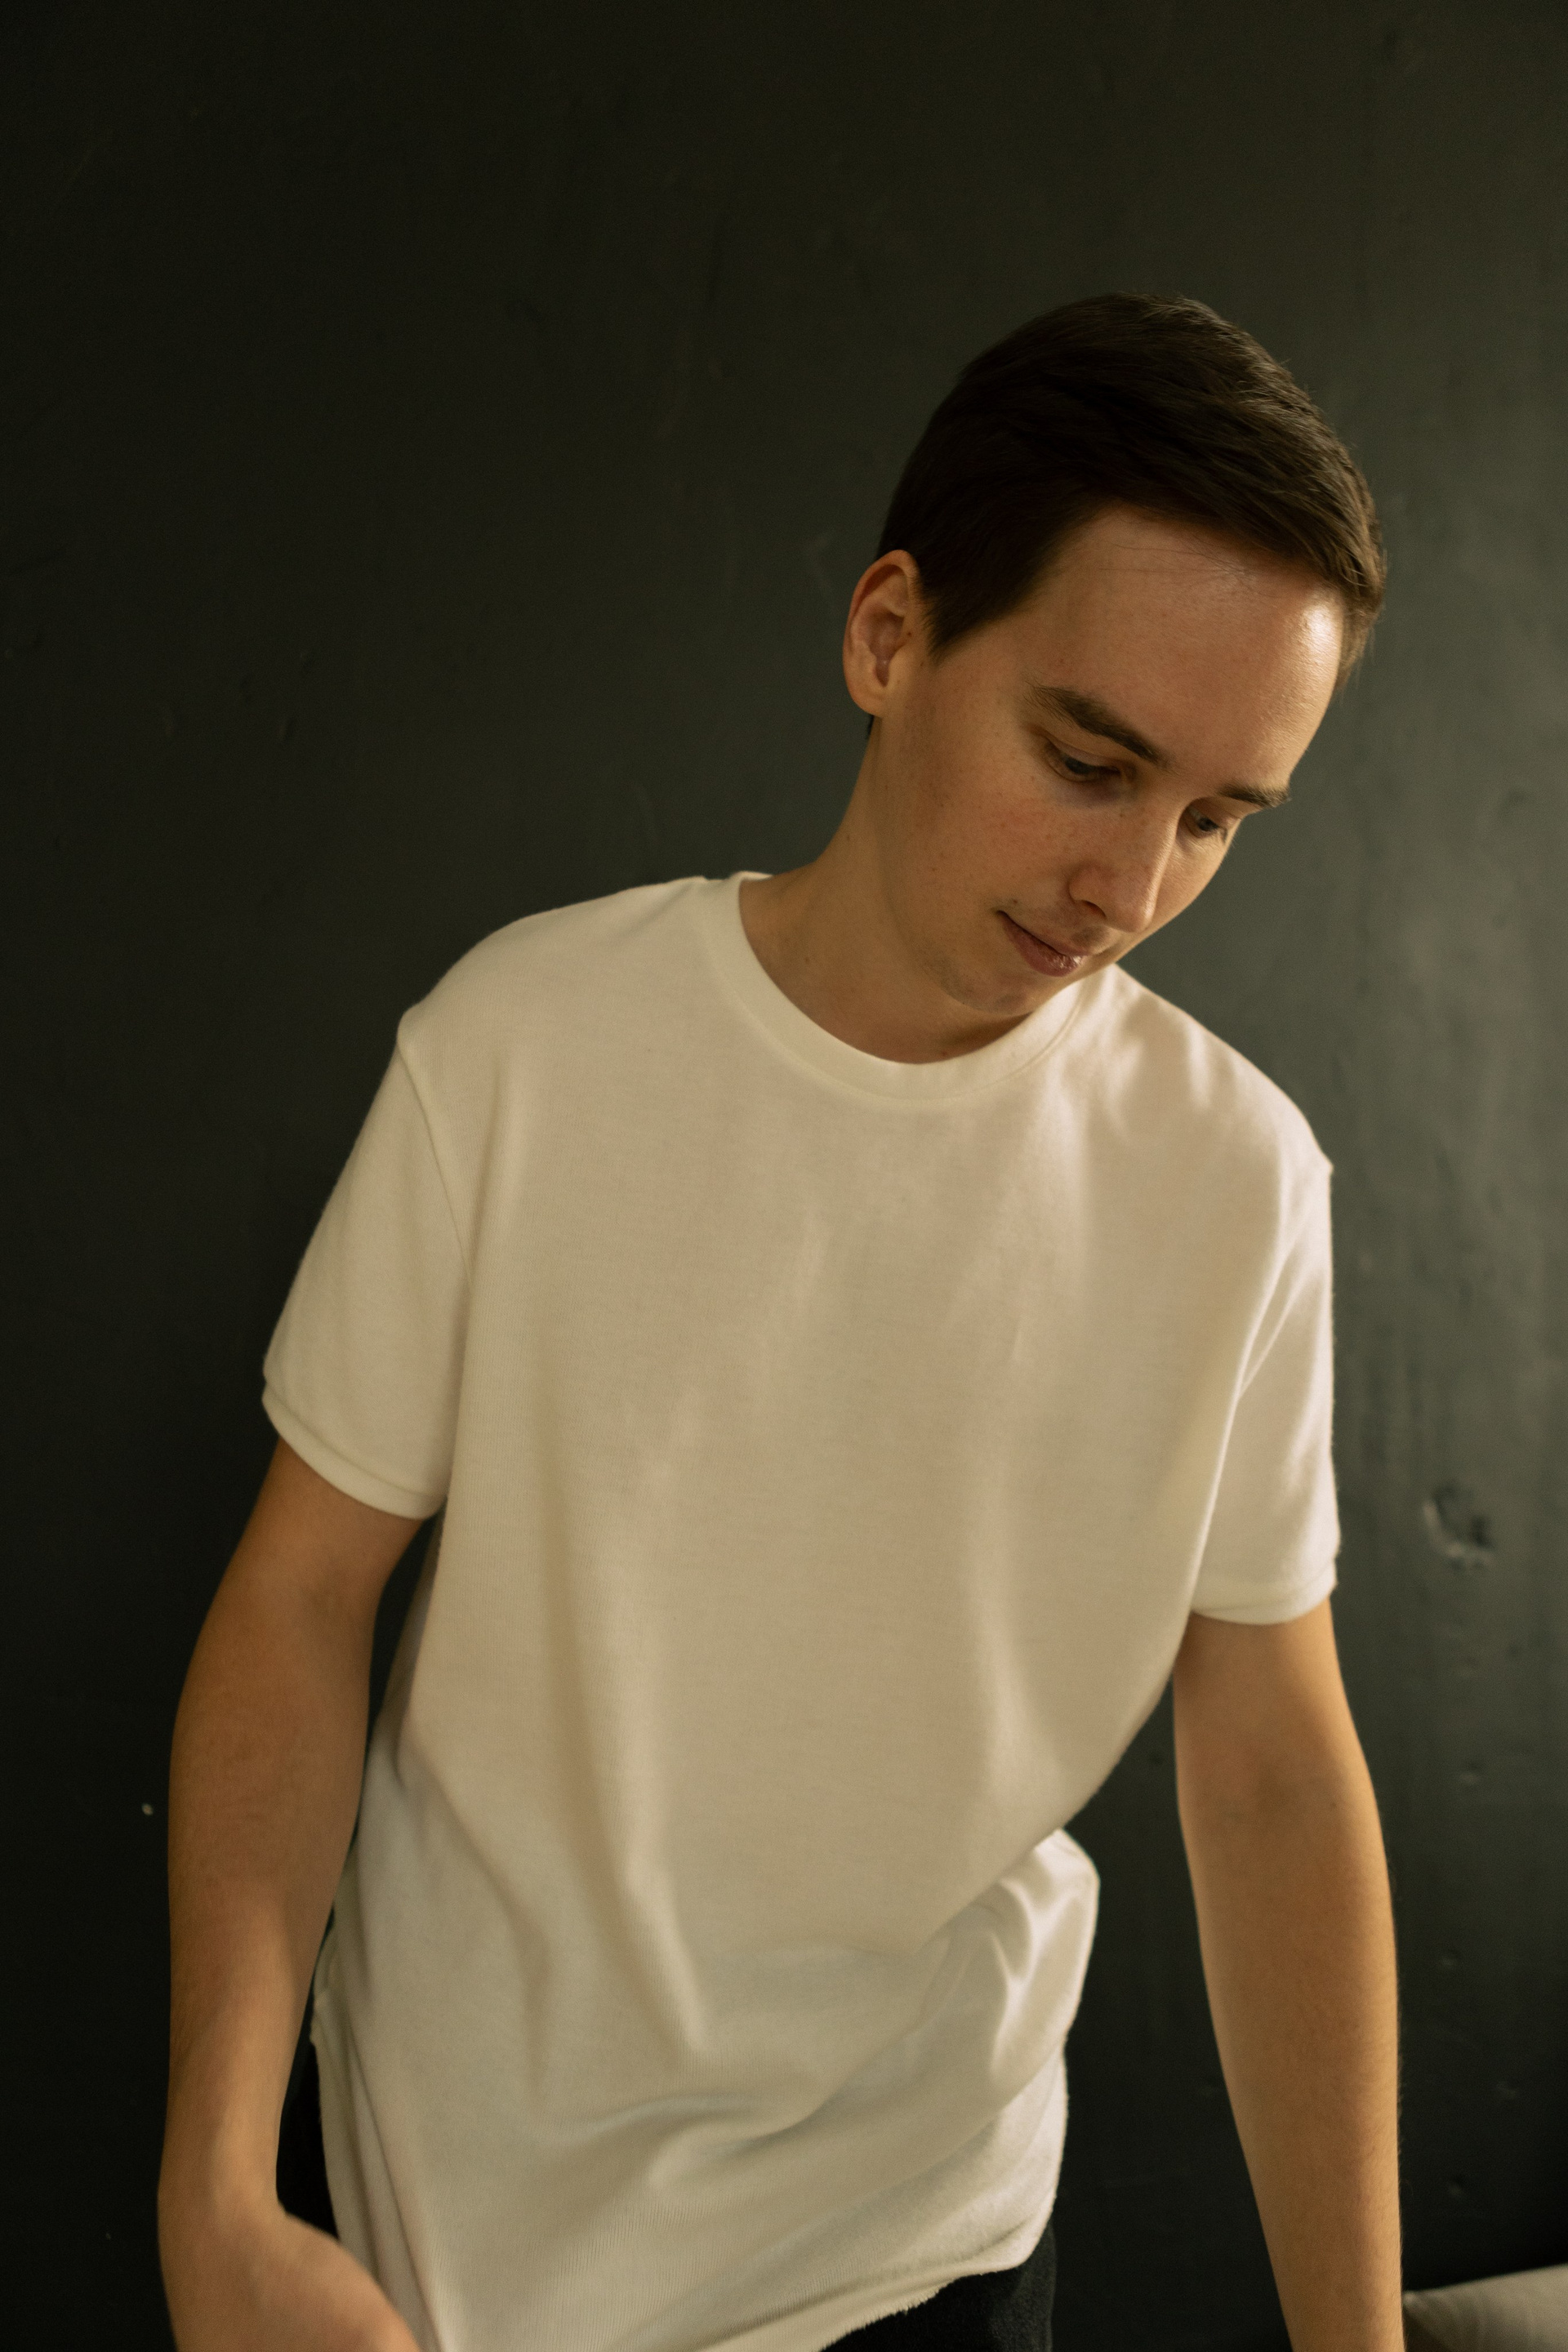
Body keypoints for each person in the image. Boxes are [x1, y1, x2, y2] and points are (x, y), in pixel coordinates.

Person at [157, 292, 1402, 2352]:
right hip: (440, 2230)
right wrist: (213, 2188)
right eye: (1088, 762)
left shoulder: (1237, 1183)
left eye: (1212, 820)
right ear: (891, 637)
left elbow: (1272, 1769)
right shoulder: (522, 1050)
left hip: (923, 2246)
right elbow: (297, 1602)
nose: (1129, 885)